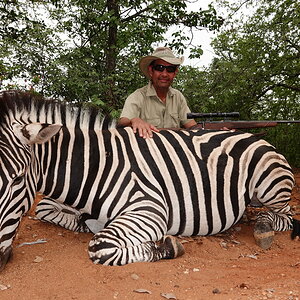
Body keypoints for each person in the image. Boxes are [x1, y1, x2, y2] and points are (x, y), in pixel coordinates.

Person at [117, 47, 197, 138]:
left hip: (175, 150)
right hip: (146, 150)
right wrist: (134, 120)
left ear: (175, 73)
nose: (164, 74)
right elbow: (122, 122)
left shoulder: (178, 96)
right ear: (151, 71)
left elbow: (192, 126)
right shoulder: (138, 96)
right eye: (160, 68)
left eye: (170, 69)